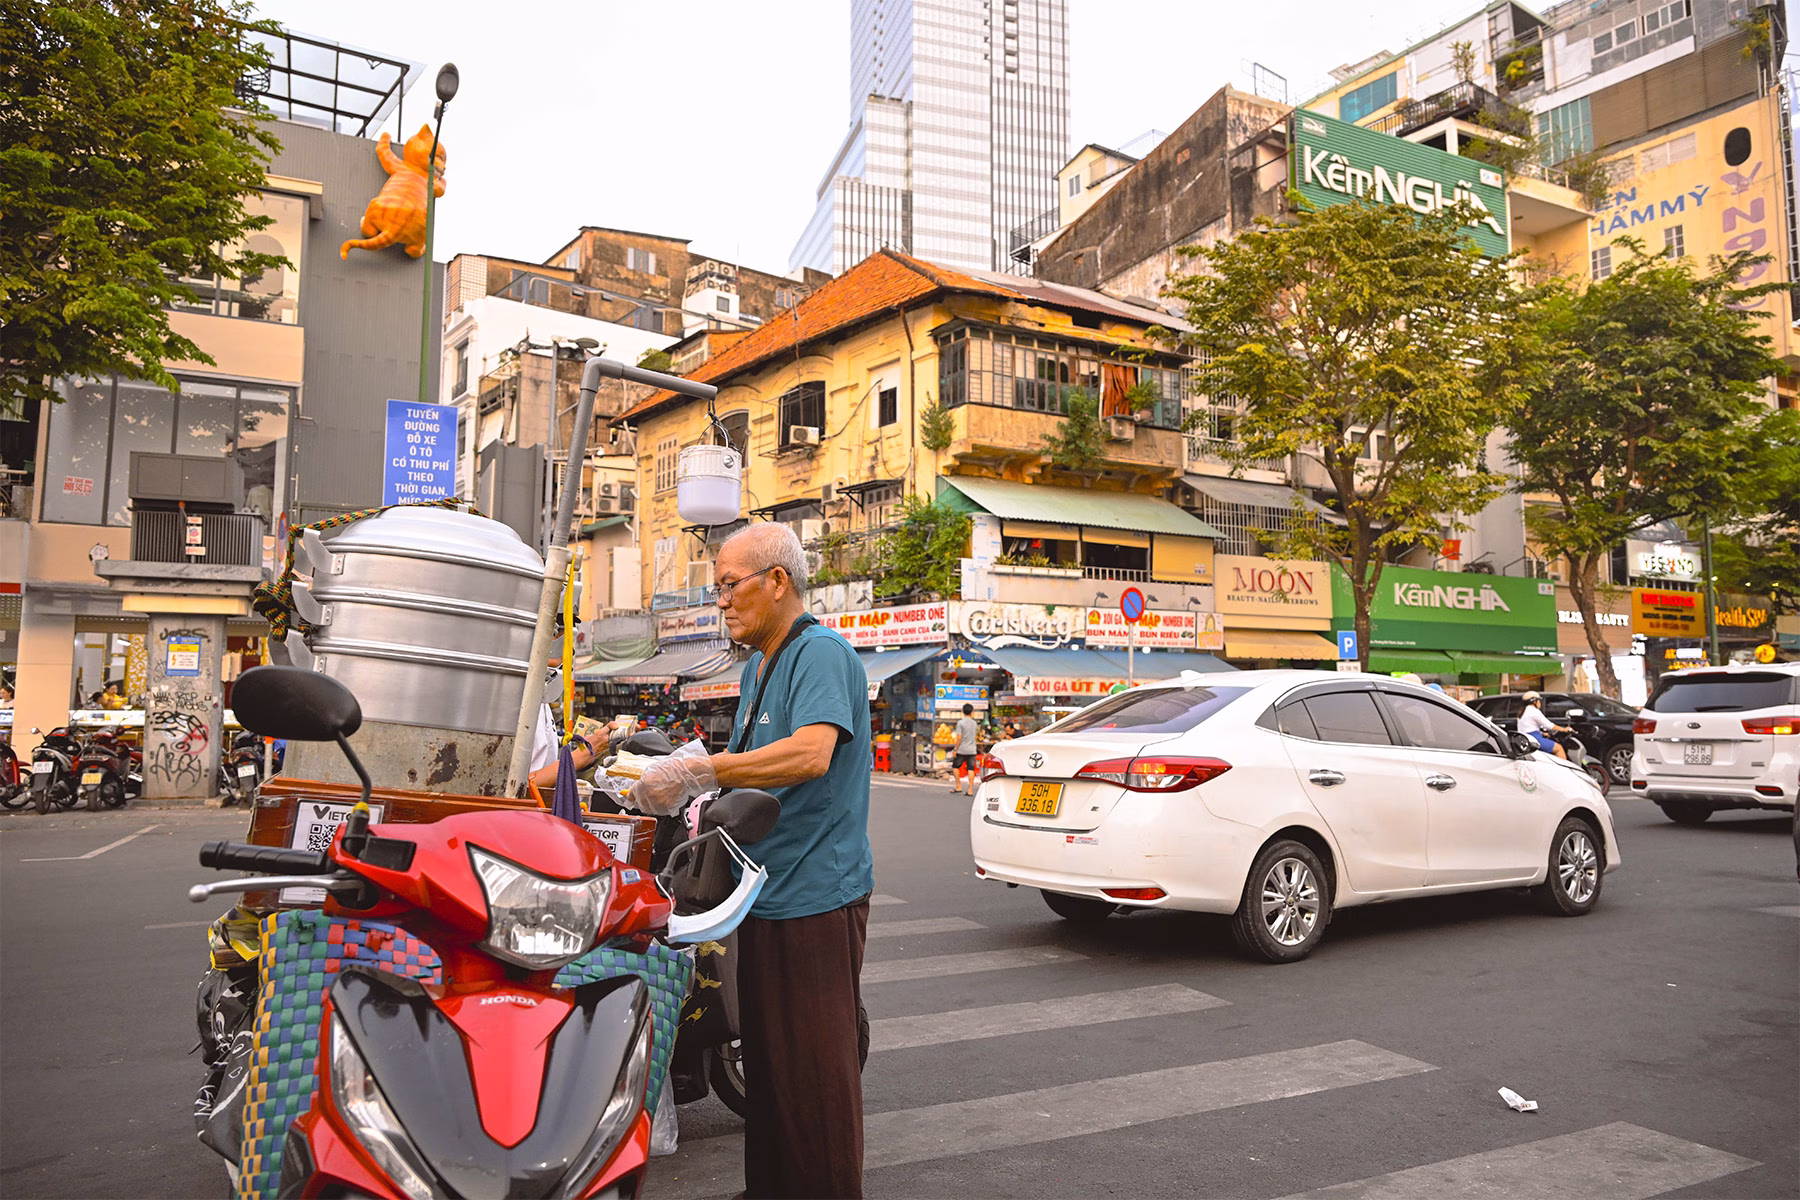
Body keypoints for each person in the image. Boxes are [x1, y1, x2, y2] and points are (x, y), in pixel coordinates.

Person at [630, 523, 871, 1199]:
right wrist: (687, 771)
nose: (723, 602)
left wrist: (701, 773)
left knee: (815, 1075)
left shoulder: (819, 654)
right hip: (764, 894)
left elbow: (810, 753)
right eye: (717, 590)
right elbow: (744, 773)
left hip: (817, 895)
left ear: (777, 581)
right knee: (768, 1068)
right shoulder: (761, 662)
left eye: (731, 585)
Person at [1517, 690, 1569, 759]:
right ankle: (1563, 769)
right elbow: (1549, 726)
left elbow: (1527, 728)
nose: (1539, 703)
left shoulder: (1522, 712)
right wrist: (1564, 729)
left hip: (1524, 739)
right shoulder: (1534, 711)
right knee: (1559, 748)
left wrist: (1543, 733)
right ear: (1534, 701)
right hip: (1534, 739)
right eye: (1538, 700)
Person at [951, 703, 980, 795]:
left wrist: (955, 749)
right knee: (970, 769)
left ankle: (958, 786)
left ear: (962, 711)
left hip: (962, 749)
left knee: (955, 766)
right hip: (972, 749)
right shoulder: (974, 723)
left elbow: (959, 737)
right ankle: (970, 789)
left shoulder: (960, 723)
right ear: (972, 712)